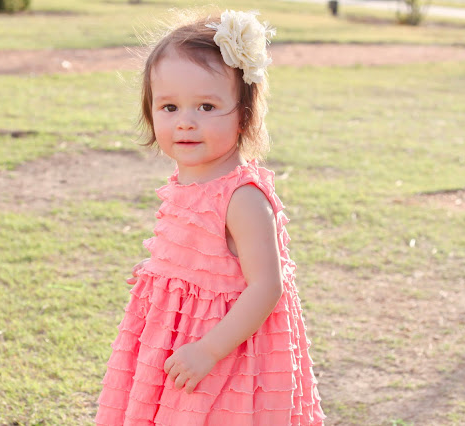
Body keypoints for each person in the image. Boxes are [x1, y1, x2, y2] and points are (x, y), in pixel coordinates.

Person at [96, 9, 325, 425]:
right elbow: (203, 257)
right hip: (176, 336)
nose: (186, 122)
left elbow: (266, 286)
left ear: (243, 115)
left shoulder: (242, 198)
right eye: (169, 107)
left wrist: (209, 350)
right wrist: (163, 271)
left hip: (226, 352)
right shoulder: (186, 182)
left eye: (206, 106)